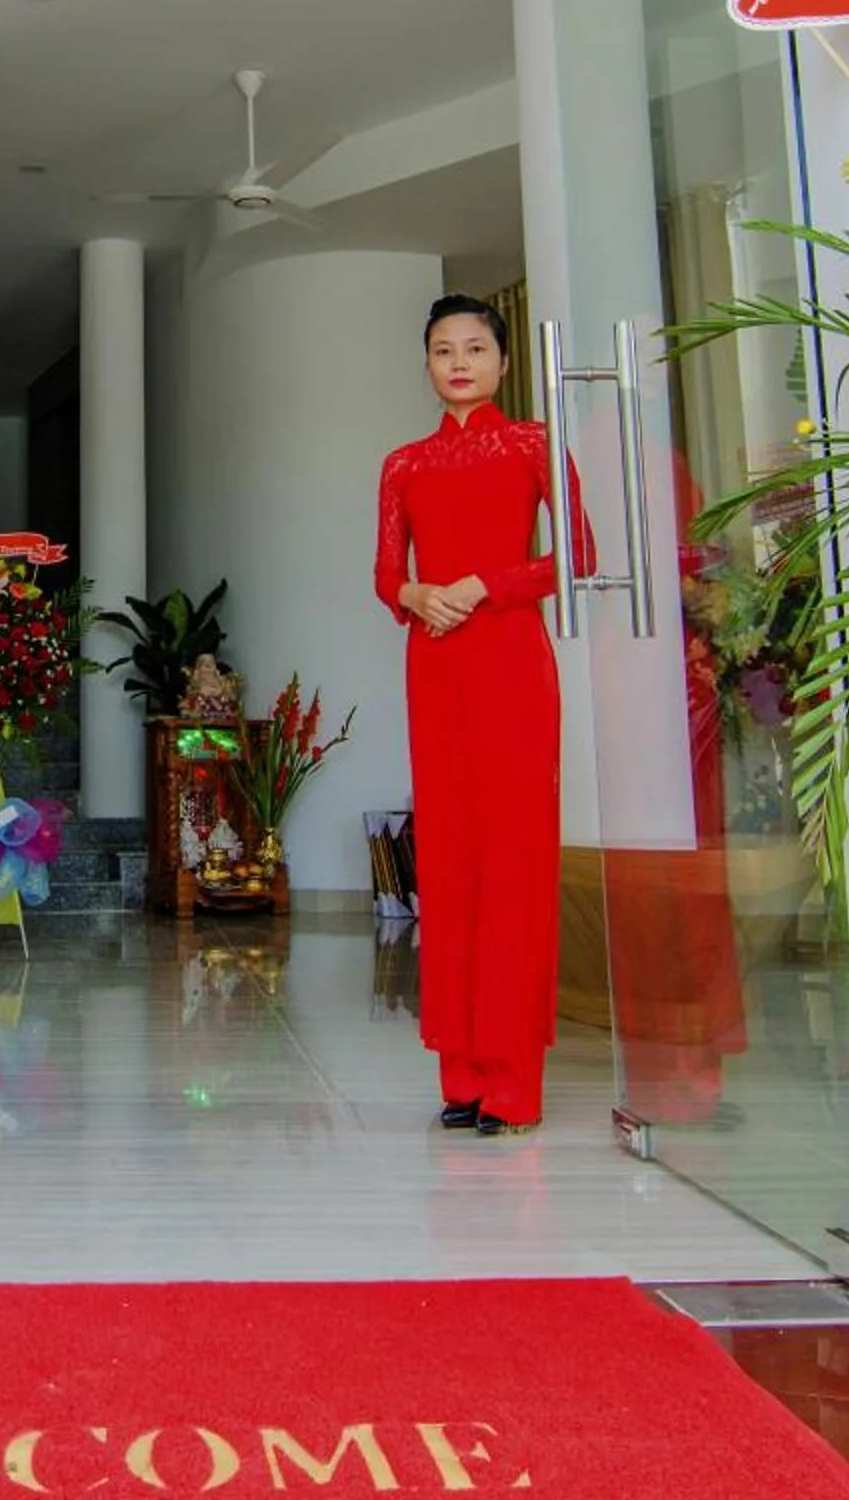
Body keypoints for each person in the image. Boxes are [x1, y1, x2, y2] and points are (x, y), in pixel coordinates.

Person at [374, 294, 590, 1138]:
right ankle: (459, 1071)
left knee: (515, 857)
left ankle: (513, 1081)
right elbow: (386, 572)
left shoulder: (535, 444)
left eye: (474, 347)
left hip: (508, 657)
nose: (458, 362)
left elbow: (578, 553)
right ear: (427, 365)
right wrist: (413, 593)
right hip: (434, 662)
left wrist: (483, 585)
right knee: (453, 855)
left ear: (503, 362)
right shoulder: (403, 465)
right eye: (441, 350)